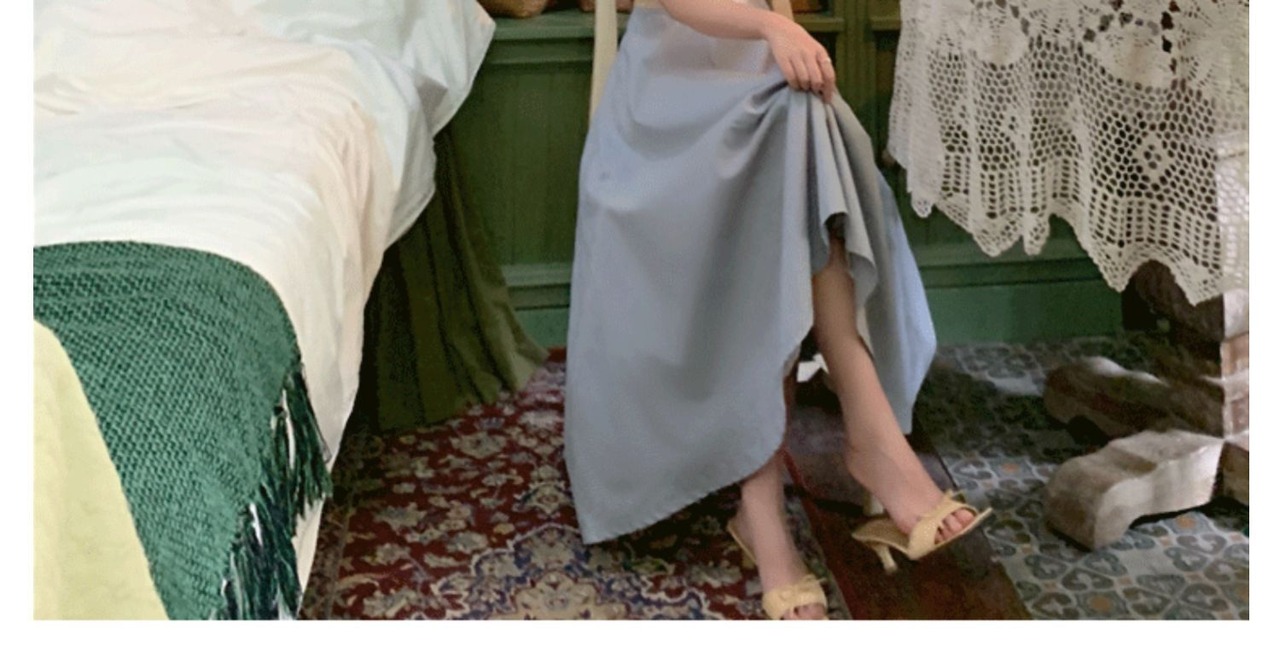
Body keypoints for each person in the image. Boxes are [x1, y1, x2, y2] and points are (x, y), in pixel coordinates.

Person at [563, 0, 990, 620]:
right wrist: (773, 27)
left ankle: (766, 506)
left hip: (760, 90)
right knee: (797, 138)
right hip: (665, 110)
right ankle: (867, 439)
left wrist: (776, 31)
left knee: (798, 131)